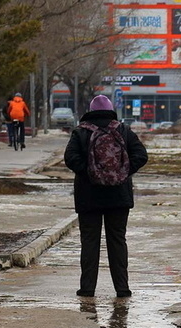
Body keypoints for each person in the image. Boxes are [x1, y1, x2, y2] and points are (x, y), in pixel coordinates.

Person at [64, 95, 148, 298]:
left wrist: (89, 173)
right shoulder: (123, 130)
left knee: (90, 241)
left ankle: (87, 288)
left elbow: (70, 158)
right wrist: (122, 172)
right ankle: (122, 288)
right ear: (111, 110)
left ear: (90, 110)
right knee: (117, 240)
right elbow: (141, 155)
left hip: (88, 196)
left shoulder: (81, 131)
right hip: (118, 196)